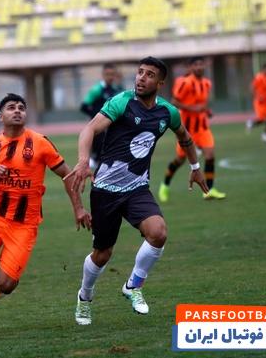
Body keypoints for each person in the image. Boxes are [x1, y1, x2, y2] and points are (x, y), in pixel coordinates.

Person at [65, 56, 208, 325]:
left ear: (160, 83)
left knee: (158, 233)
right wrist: (83, 161)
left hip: (137, 188)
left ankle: (133, 286)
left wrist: (195, 166)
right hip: (105, 189)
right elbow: (89, 129)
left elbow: (185, 138)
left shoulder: (167, 112)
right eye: (140, 72)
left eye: (149, 74)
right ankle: (85, 296)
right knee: (102, 254)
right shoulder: (122, 102)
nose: (141, 78)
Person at [0, 93, 91, 338]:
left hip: (24, 224)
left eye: (21, 107)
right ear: (0, 116)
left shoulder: (40, 143)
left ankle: (5, 283)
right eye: (11, 107)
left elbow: (67, 175)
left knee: (6, 285)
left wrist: (79, 208)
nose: (17, 110)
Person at [158, 56, 226, 202]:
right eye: (196, 65)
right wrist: (193, 108)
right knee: (179, 160)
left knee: (210, 155)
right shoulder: (184, 83)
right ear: (191, 67)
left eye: (201, 64)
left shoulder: (207, 83)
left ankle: (209, 190)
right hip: (187, 130)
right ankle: (165, 185)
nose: (199, 67)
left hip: (202, 127)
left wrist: (207, 111)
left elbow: (202, 103)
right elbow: (174, 101)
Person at [79, 63, 122, 169]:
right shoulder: (97, 90)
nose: (110, 77)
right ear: (103, 75)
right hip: (99, 126)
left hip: (112, 126)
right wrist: (97, 117)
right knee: (99, 150)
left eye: (112, 74)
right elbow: (84, 106)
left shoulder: (116, 90)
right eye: (108, 74)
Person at [246, 63, 266, 143]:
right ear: (263, 69)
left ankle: (265, 135)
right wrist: (257, 96)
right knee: (262, 119)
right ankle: (251, 123)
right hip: (259, 102)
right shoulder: (259, 77)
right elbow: (251, 87)